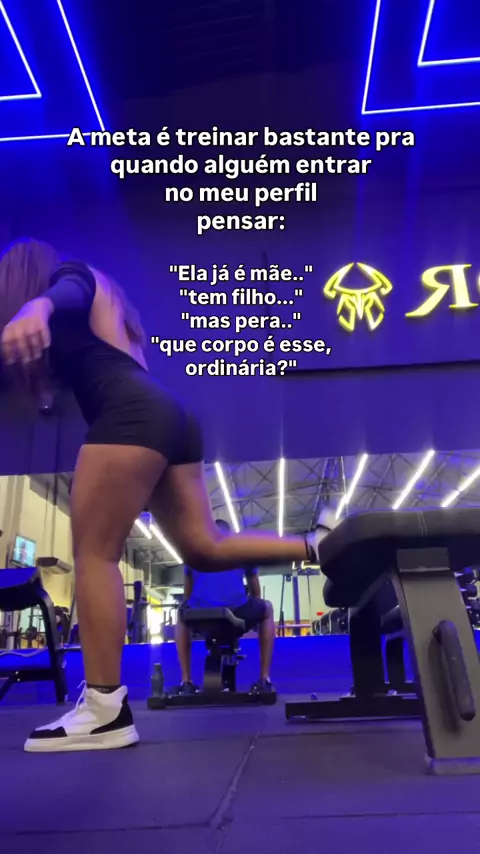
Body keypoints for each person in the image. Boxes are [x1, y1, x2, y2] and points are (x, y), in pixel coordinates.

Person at [0, 238, 330, 754]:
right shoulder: (110, 316)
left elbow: (71, 287)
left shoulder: (70, 281)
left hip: (130, 413)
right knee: (203, 547)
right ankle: (319, 545)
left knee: (94, 553)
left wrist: (35, 306)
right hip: (169, 415)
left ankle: (105, 710)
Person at [176, 519, 275, 694]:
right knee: (267, 609)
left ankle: (186, 681)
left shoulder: (193, 552)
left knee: (181, 613)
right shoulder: (242, 550)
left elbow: (187, 595)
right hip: (237, 612)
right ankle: (264, 678)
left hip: (200, 615)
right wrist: (251, 618)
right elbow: (255, 592)